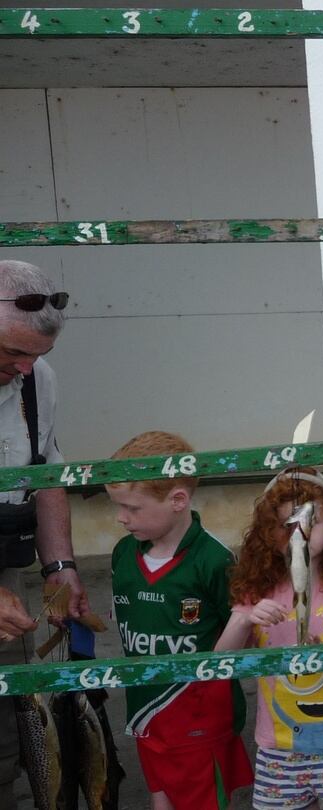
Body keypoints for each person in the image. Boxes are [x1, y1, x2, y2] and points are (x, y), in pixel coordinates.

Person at [216, 467, 323, 810]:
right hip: (279, 748)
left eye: (312, 522)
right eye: (287, 524)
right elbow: (222, 661)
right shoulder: (258, 589)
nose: (299, 533)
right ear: (268, 531)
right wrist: (245, 619)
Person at [106, 431, 252, 810]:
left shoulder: (214, 561)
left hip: (199, 715)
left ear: (178, 500)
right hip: (145, 707)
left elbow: (245, 636)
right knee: (161, 799)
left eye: (132, 508)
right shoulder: (123, 553)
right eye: (117, 507)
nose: (121, 518)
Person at [0, 258, 91, 808]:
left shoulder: (38, 378)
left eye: (38, 356)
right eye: (13, 352)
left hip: (6, 558)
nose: (26, 367)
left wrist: (61, 568)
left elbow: (48, 469)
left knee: (13, 722)